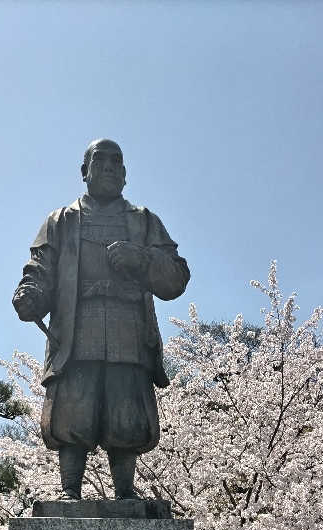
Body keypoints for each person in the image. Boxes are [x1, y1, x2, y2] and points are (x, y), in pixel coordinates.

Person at [13, 138, 190, 500]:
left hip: (129, 333)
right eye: (100, 161)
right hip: (77, 334)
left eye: (116, 162)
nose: (109, 167)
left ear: (125, 174)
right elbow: (40, 269)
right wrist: (30, 294)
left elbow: (176, 278)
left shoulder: (143, 222)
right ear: (84, 171)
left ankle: (126, 493)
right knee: (74, 412)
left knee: (126, 413)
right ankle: (69, 490)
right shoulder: (61, 221)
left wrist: (141, 259)